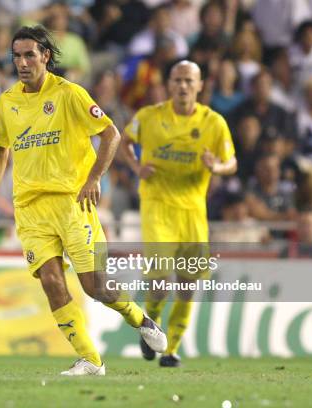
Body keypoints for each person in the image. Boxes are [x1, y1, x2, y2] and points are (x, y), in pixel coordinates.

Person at [0, 25, 166, 376]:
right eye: (16, 56)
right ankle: (91, 360)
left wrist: (94, 179)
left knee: (95, 287)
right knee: (50, 280)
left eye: (29, 54)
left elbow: (111, 135)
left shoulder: (70, 94)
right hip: (30, 208)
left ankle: (140, 319)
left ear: (45, 56)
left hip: (72, 203)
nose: (22, 63)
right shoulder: (8, 102)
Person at [120, 60, 237, 367]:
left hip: (193, 211)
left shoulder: (214, 122)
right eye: (177, 80)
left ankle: (170, 348)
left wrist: (217, 167)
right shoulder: (149, 117)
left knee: (187, 284)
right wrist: (136, 168)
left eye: (189, 80)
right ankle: (151, 327)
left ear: (200, 86)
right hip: (157, 206)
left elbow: (231, 162)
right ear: (169, 85)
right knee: (159, 279)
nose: (182, 86)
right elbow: (124, 141)